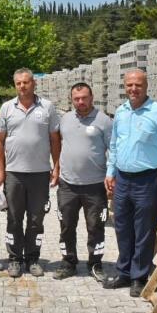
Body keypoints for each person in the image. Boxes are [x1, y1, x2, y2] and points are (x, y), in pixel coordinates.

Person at [103, 68, 157, 297]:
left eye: (138, 85)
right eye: (129, 85)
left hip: (149, 180)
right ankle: (124, 272)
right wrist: (111, 172)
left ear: (146, 87)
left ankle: (139, 276)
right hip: (123, 179)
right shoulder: (120, 112)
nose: (133, 89)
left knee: (144, 229)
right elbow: (115, 146)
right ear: (124, 86)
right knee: (122, 227)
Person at [0, 68, 61, 278]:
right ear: (15, 86)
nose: (22, 86)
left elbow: (55, 139)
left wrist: (56, 166)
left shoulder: (47, 107)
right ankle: (14, 259)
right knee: (14, 218)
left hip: (40, 174)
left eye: (26, 82)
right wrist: (0, 170)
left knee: (36, 220)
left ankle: (32, 258)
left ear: (34, 83)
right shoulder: (6, 108)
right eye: (18, 83)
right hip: (14, 174)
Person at [53, 82, 113, 281]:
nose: (80, 102)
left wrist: (111, 175)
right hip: (67, 184)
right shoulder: (65, 119)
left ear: (92, 97)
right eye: (76, 99)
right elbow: (58, 144)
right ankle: (68, 262)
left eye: (84, 98)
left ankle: (95, 263)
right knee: (66, 225)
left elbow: (114, 150)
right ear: (72, 100)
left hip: (95, 186)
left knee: (96, 226)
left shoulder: (104, 121)